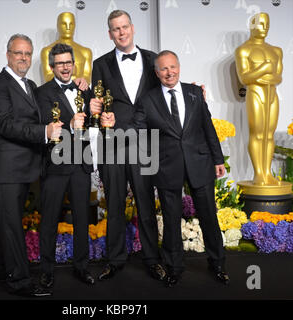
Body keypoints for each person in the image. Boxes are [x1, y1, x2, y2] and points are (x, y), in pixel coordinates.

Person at [109, 50, 229, 287]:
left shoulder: (195, 93)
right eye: (163, 69)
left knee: (208, 217)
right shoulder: (148, 99)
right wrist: (115, 128)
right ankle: (174, 267)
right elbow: (137, 128)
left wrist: (218, 159)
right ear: (156, 73)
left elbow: (208, 127)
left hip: (199, 163)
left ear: (179, 67)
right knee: (171, 221)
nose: (169, 72)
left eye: (172, 67)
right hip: (167, 167)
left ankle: (218, 264)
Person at [0, 34, 62, 297]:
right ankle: (19, 281)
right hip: (7, 169)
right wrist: (44, 132)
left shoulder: (28, 84)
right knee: (12, 223)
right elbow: (5, 124)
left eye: (28, 53)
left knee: (8, 220)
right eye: (19, 53)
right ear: (8, 55)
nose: (24, 58)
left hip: (22, 167)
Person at [90, 10, 165, 282]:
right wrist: (97, 115)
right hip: (113, 144)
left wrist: (193, 89)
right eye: (115, 29)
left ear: (132, 28)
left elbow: (166, 91)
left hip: (145, 142)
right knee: (114, 204)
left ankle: (152, 259)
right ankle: (115, 260)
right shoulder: (100, 64)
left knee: (146, 203)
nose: (121, 33)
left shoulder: (153, 60)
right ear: (110, 34)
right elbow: (94, 105)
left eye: (124, 27)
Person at [35, 43, 95, 288]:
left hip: (81, 164)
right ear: (51, 67)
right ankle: (47, 271)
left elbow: (92, 121)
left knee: (82, 219)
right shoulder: (41, 93)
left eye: (68, 62)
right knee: (49, 220)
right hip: (56, 166)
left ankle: (81, 267)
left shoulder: (84, 89)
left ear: (73, 63)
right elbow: (46, 124)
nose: (65, 67)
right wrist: (70, 124)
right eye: (60, 63)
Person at [235, 12, 283, 186]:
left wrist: (267, 76)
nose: (264, 28)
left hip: (271, 95)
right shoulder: (244, 50)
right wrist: (264, 68)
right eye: (261, 24)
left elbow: (278, 77)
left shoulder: (276, 50)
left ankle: (267, 172)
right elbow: (244, 78)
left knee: (269, 134)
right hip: (255, 93)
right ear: (252, 25)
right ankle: (258, 174)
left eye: (267, 25)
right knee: (257, 132)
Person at [41, 12, 93, 84]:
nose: (68, 27)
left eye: (71, 24)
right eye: (64, 24)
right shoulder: (47, 51)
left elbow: (87, 77)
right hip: (55, 94)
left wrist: (78, 81)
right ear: (58, 26)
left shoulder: (86, 52)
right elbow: (48, 77)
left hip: (80, 93)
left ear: (75, 26)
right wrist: (72, 79)